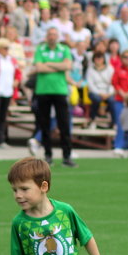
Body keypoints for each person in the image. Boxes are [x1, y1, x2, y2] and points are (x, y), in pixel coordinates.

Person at [29, 26, 75, 166]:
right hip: (43, 90)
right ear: (46, 36)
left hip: (60, 90)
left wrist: (48, 64)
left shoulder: (64, 49)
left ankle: (66, 156)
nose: (52, 37)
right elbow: (39, 67)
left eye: (54, 34)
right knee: (44, 124)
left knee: (64, 124)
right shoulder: (41, 49)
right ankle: (48, 155)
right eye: (50, 34)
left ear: (58, 36)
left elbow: (68, 66)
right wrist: (57, 66)